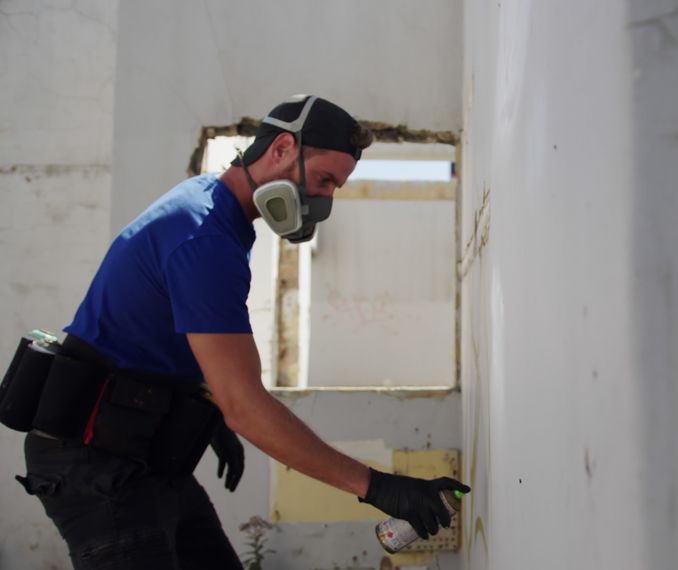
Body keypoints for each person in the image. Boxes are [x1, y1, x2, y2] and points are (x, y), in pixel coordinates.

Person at [15, 95, 468, 569]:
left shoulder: (217, 213)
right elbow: (246, 408)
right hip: (97, 465)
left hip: (143, 455)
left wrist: (198, 406)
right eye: (324, 180)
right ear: (281, 149)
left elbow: (162, 340)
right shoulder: (205, 235)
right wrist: (377, 487)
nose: (325, 200)